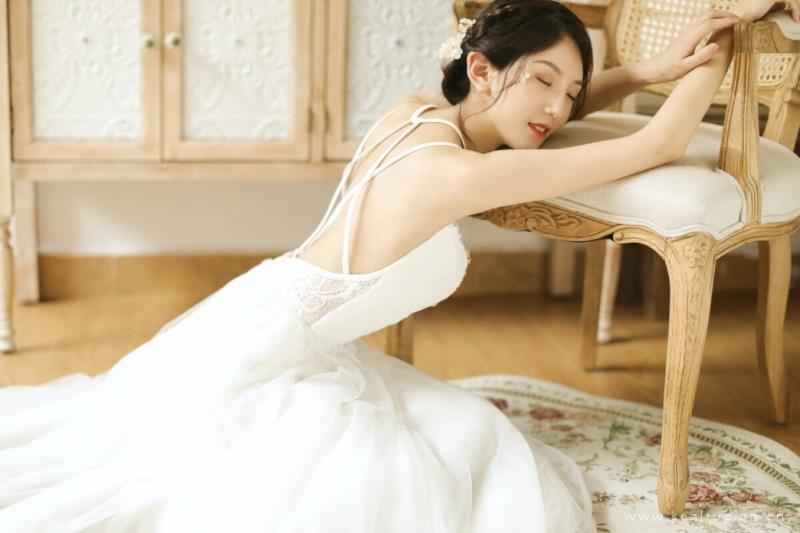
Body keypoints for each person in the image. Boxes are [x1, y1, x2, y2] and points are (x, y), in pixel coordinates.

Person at [0, 0, 790, 531]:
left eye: (570, 89)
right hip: (260, 368)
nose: (558, 109)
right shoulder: (455, 175)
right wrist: (725, 40)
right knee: (464, 473)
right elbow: (656, 142)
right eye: (543, 82)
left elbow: (557, 104)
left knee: (470, 437)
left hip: (246, 324)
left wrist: (643, 72)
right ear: (481, 70)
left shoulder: (416, 111)